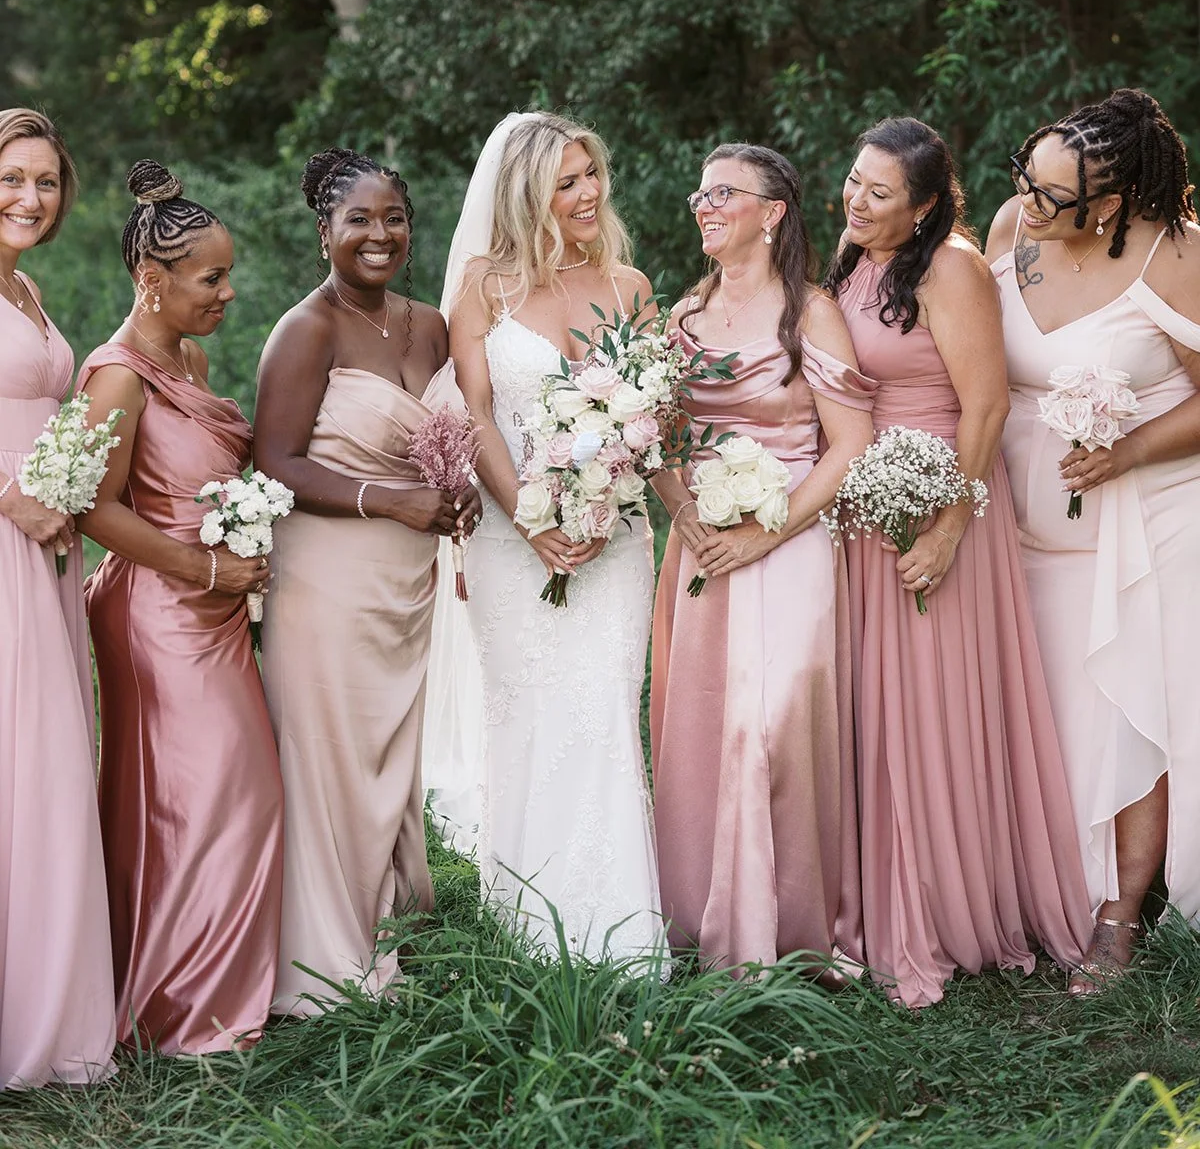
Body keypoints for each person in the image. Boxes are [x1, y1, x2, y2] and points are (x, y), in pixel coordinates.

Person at [828, 117, 1091, 1007]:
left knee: (933, 705)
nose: (855, 202)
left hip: (945, 499)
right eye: (854, 182)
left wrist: (946, 528)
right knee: (877, 704)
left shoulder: (953, 268)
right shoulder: (855, 253)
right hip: (868, 509)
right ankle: (876, 899)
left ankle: (947, 910)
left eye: (879, 193)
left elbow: (982, 409)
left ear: (929, 205)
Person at [985, 89, 1200, 993]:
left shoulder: (1179, 254)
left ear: (1109, 208)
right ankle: (1037, 886)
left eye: (1051, 195)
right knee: (1045, 705)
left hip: (1148, 516)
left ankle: (1121, 908)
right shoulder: (1010, 226)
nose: (1029, 203)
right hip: (1022, 526)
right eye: (1026, 179)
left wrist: (1128, 451)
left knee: (1128, 705)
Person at [256, 148, 479, 1015]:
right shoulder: (305, 330)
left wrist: (451, 496)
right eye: (359, 220)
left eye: (394, 218)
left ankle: (381, 921)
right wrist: (388, 499)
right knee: (332, 763)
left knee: (390, 756)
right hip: (327, 575)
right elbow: (273, 463)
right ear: (325, 234)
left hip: (408, 581)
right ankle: (321, 955)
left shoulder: (428, 325)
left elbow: (451, 435)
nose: (379, 234)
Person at [438, 111, 663, 962]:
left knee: (604, 710)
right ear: (527, 192)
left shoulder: (629, 284)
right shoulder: (484, 288)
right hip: (511, 538)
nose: (586, 193)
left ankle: (619, 935)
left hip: (617, 540)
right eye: (565, 181)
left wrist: (604, 506)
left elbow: (649, 415)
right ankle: (525, 921)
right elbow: (480, 416)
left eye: (591, 175)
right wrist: (533, 522)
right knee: (527, 713)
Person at [650, 144, 873, 979]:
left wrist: (766, 531)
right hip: (703, 545)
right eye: (698, 192)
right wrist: (686, 516)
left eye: (723, 193)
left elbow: (848, 447)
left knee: (775, 723)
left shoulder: (811, 312)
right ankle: (706, 925)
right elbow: (657, 442)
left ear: (772, 212)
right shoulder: (680, 318)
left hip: (791, 538)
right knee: (709, 728)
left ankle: (792, 929)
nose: (704, 205)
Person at [78, 160, 283, 1053]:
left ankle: (212, 992)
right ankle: (177, 1014)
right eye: (212, 278)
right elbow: (96, 511)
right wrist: (210, 569)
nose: (229, 292)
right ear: (151, 281)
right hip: (158, 616)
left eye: (228, 274)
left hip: (215, 609)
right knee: (201, 802)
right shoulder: (115, 378)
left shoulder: (190, 356)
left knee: (238, 796)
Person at [0, 109, 115, 1089]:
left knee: (49, 759)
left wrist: (64, 499)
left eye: (44, 180)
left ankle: (48, 997)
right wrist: (12, 498)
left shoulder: (27, 288)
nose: (29, 197)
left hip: (47, 543)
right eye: (11, 177)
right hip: (3, 539)